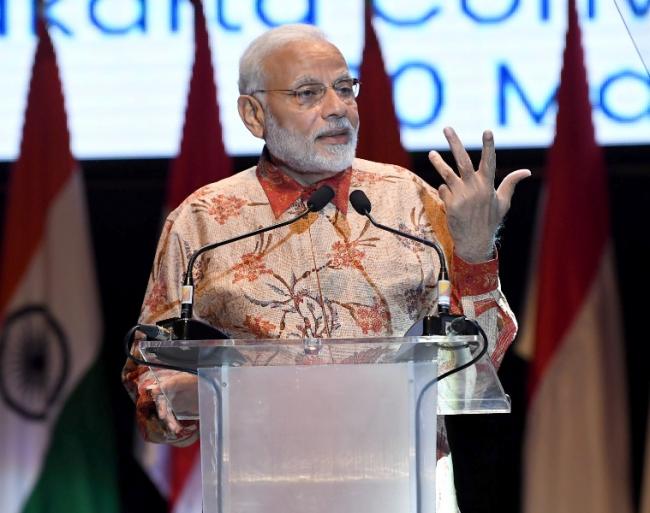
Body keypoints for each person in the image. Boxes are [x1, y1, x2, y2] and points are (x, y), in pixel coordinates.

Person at [123, 23, 530, 512]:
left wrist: (476, 250)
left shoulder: (410, 202)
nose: (337, 107)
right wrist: (179, 397)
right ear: (253, 114)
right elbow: (148, 375)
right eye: (308, 93)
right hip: (260, 493)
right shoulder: (204, 220)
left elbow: (481, 362)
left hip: (404, 490)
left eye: (344, 88)